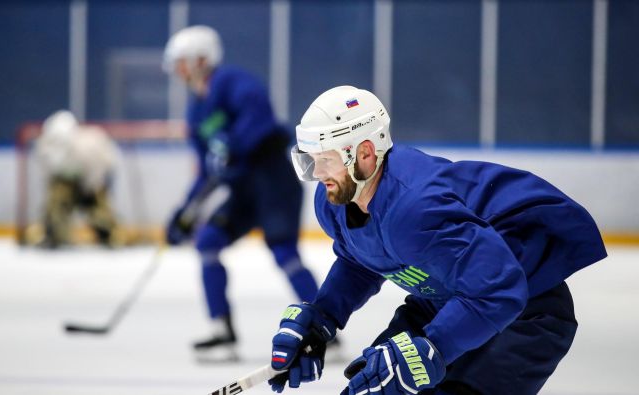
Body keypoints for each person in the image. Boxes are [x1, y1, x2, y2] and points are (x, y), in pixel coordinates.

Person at [268, 86, 607, 395]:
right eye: (312, 160)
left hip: (525, 313)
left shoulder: (415, 209)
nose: (318, 173)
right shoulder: (337, 201)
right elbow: (360, 260)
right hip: (445, 301)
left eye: (326, 160)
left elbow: (499, 290)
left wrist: (432, 348)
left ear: (365, 154)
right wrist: (322, 317)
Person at [162, 25, 321, 361]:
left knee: (284, 252)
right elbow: (208, 170)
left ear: (202, 59)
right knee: (207, 243)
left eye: (182, 61)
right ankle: (223, 331)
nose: (178, 69)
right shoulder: (196, 112)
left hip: (273, 182)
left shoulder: (232, 82)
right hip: (243, 190)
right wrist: (186, 211)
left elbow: (259, 120)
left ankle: (324, 330)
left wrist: (234, 144)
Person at [32, 110, 120, 248]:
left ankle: (109, 236)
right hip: (65, 182)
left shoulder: (88, 144)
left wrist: (89, 188)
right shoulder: (44, 147)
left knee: (99, 210)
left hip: (91, 182)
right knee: (55, 205)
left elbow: (99, 168)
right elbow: (49, 174)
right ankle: (55, 236)